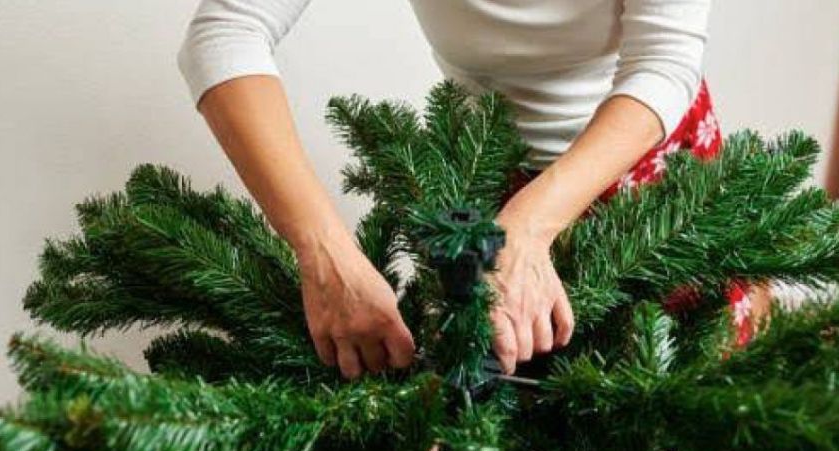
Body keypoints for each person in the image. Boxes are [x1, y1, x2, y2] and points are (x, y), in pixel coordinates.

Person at [177, 0, 761, 379]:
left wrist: (530, 226)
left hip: (657, 177)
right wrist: (324, 253)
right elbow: (225, 32)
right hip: (485, 175)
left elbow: (665, 62)